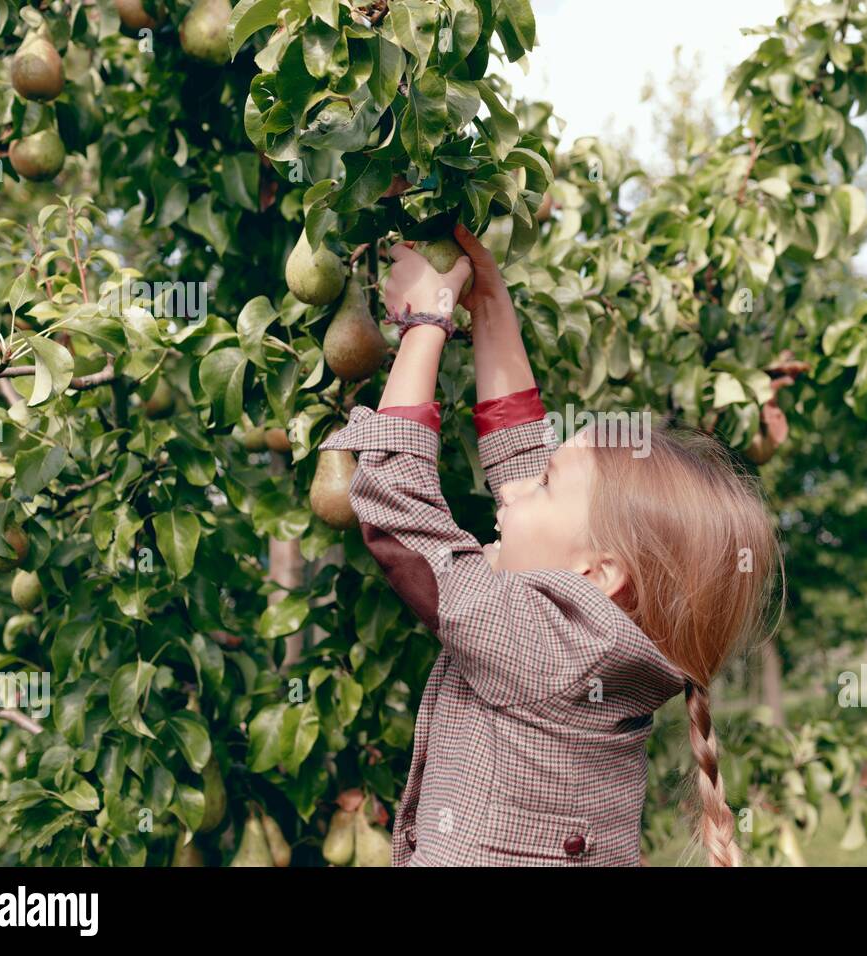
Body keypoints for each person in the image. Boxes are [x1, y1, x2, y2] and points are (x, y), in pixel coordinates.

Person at [321, 224, 781, 866]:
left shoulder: (542, 646)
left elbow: (399, 513)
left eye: (542, 486)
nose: (510, 492)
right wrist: (489, 302)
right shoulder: (603, 643)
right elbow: (521, 455)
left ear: (600, 572)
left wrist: (428, 321)